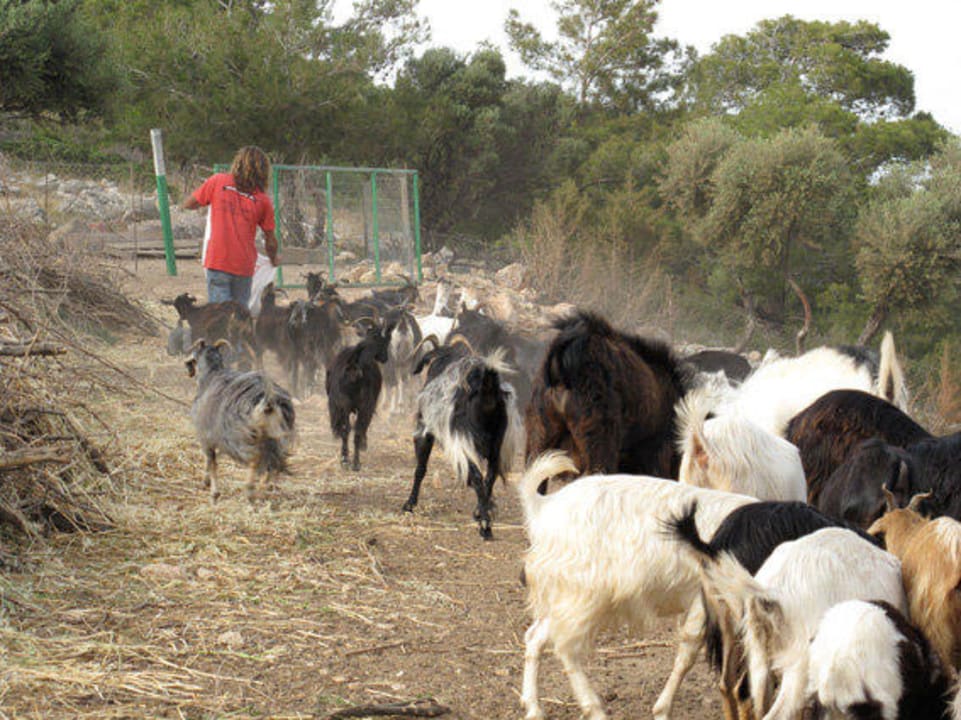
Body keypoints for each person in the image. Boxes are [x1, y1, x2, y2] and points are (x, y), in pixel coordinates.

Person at [183, 146, 279, 307]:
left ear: (237, 164)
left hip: (218, 261)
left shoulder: (217, 181)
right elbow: (270, 240)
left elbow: (189, 204)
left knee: (220, 316)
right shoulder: (263, 201)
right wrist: (273, 259)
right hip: (244, 266)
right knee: (239, 317)